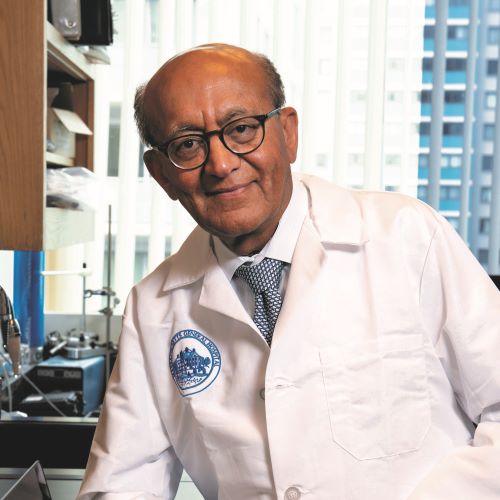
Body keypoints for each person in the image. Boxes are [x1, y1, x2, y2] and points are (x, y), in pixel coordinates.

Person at [78, 44, 500, 500]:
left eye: (242, 129)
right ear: (162, 174)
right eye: (188, 145)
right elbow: (121, 485)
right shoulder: (153, 307)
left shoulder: (405, 236)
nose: (221, 164)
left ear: (288, 132)